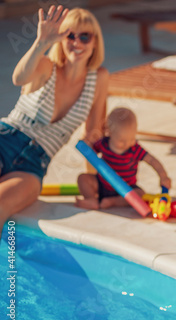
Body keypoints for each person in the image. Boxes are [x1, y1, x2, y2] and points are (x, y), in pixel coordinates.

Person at [0, 5, 109, 229]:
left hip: (33, 165)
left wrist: (93, 187)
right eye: (69, 36)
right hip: (6, 140)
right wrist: (41, 43)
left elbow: (92, 134)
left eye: (85, 36)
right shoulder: (46, 66)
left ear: (95, 42)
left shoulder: (98, 78)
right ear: (60, 38)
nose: (76, 43)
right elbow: (18, 78)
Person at [76, 107, 171, 210]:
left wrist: (163, 176)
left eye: (131, 139)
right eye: (122, 141)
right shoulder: (103, 143)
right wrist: (87, 143)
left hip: (126, 190)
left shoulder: (134, 149)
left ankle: (113, 202)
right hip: (102, 185)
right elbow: (91, 151)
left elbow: (152, 161)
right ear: (109, 132)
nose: (127, 144)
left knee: (140, 194)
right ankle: (91, 199)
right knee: (83, 178)